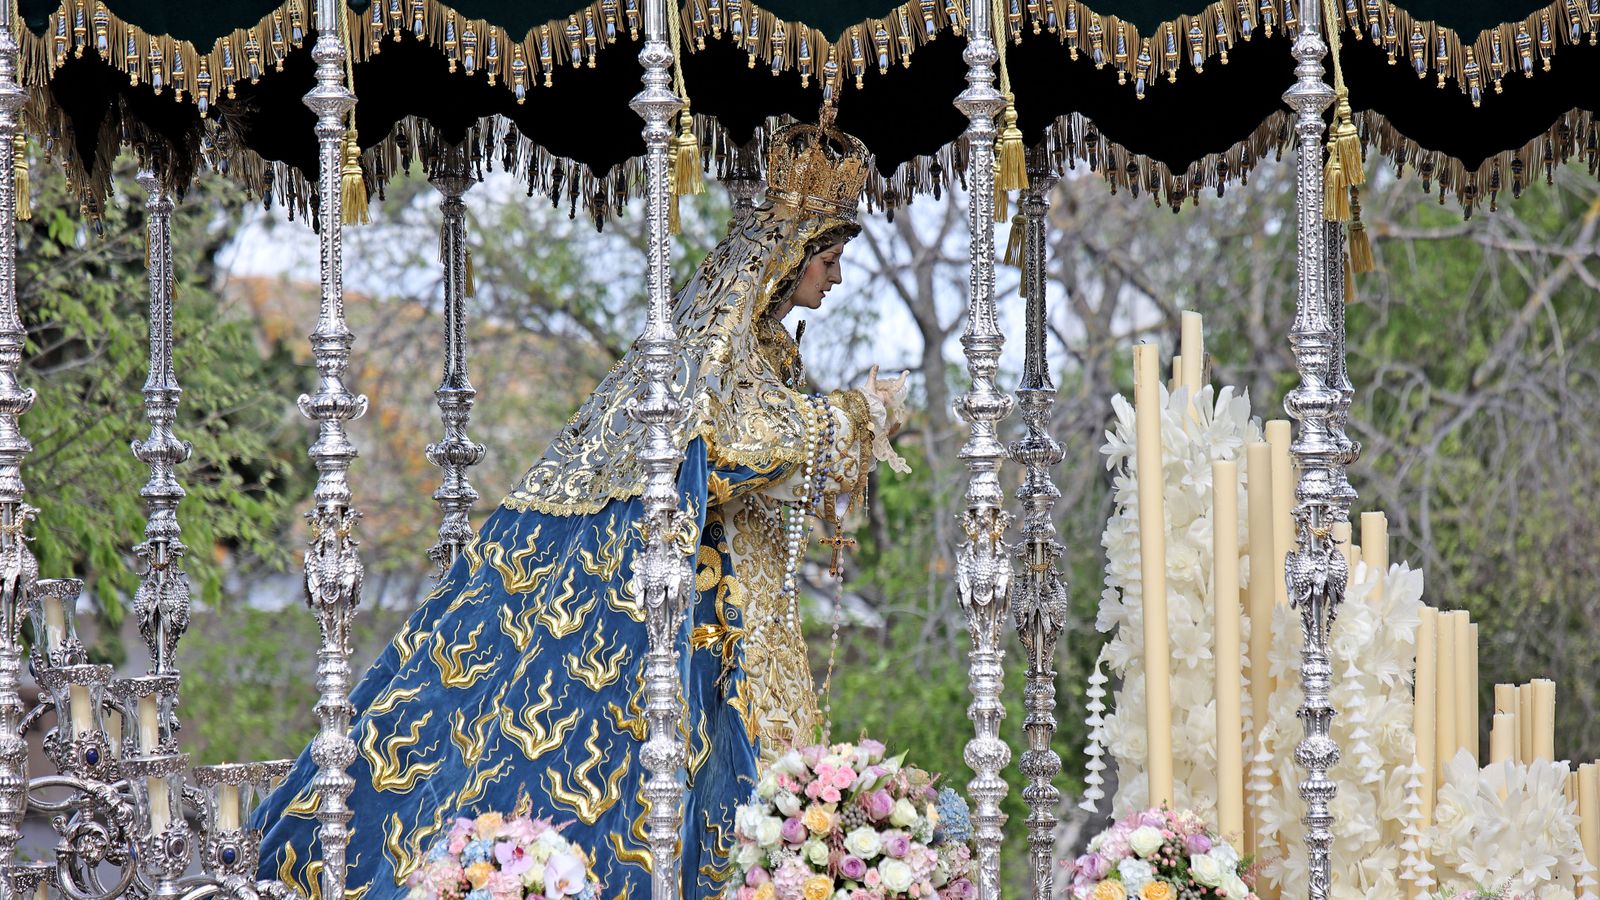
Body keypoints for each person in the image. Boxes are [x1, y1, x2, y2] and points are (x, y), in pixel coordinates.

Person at [254, 117, 911, 900]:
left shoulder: (768, 349)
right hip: (696, 614)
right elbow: (718, 447)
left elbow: (769, 456)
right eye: (829, 260)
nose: (835, 279)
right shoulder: (712, 346)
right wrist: (854, 417)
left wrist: (840, 428)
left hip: (746, 609)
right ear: (784, 261)